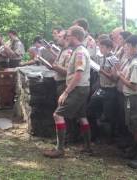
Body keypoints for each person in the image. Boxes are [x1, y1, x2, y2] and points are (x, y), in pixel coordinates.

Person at [43, 25, 92, 158]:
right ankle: (87, 146)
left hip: (78, 88)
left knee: (57, 115)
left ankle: (60, 149)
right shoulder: (77, 50)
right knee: (82, 116)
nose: (66, 37)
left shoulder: (80, 52)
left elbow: (78, 74)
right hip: (82, 88)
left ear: (75, 37)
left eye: (68, 35)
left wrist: (66, 92)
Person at [115, 35, 137, 169]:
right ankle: (135, 151)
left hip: (136, 98)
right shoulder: (131, 60)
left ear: (135, 47)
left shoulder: (136, 63)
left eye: (128, 46)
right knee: (133, 126)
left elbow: (134, 85)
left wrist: (119, 76)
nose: (125, 49)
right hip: (130, 97)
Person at [87, 38, 119, 143]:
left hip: (110, 90)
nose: (100, 49)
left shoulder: (113, 59)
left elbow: (114, 78)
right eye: (99, 46)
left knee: (109, 115)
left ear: (109, 48)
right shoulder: (101, 58)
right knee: (90, 110)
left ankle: (110, 138)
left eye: (102, 47)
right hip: (101, 88)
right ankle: (94, 134)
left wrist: (101, 71)